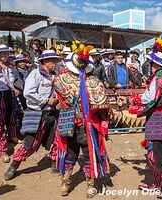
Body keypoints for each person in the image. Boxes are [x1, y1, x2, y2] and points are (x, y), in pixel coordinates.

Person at [124, 38, 162, 198]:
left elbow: (149, 97)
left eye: (150, 63)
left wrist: (134, 100)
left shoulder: (159, 76)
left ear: (155, 64)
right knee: (154, 153)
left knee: (158, 153)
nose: (149, 66)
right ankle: (160, 184)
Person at [54, 45, 110, 197]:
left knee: (69, 153)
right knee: (88, 155)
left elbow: (60, 98)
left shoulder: (61, 79)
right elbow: (103, 105)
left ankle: (65, 184)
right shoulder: (94, 82)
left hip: (68, 123)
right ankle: (90, 186)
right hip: (88, 125)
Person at [4, 50, 60, 180]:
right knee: (30, 142)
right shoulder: (35, 74)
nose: (55, 63)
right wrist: (46, 100)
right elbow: (28, 93)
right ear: (45, 62)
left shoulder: (54, 75)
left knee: (57, 139)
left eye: (56, 60)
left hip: (52, 113)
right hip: (36, 113)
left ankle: (54, 162)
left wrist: (57, 100)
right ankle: (14, 165)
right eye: (53, 61)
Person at [0, 45, 21, 148]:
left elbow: (16, 79)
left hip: (10, 94)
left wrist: (18, 89)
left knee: (11, 115)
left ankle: (12, 136)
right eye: (3, 53)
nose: (5, 55)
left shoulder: (11, 66)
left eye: (7, 53)